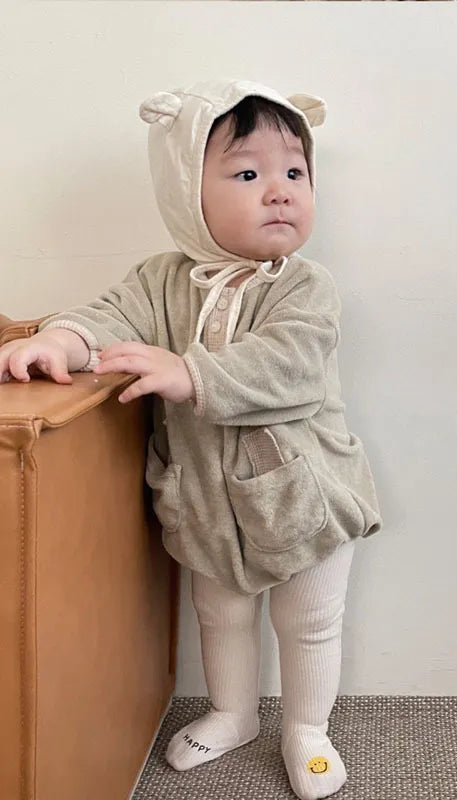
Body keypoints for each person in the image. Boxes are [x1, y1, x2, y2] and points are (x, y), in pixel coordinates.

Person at [0, 79, 382, 800]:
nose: (280, 191)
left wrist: (188, 372)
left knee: (308, 620)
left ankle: (308, 728)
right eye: (248, 174)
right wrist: (61, 340)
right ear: (186, 192)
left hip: (305, 496)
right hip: (207, 502)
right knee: (221, 613)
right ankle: (233, 713)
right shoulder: (161, 280)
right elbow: (110, 318)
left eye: (294, 172)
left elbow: (292, 364)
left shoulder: (305, 287)